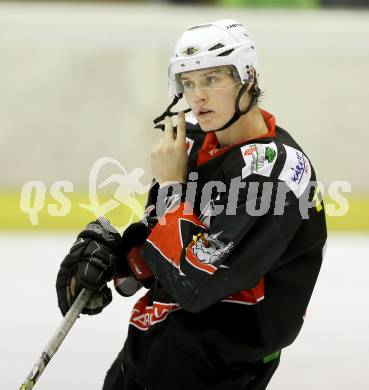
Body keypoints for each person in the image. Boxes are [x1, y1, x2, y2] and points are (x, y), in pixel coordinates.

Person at [56, 19, 327, 389]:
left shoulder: (276, 174)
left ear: (247, 77)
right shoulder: (192, 144)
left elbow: (194, 282)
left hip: (219, 365)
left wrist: (171, 186)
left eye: (212, 79)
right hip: (154, 345)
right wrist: (119, 261)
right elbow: (161, 257)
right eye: (188, 82)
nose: (197, 96)